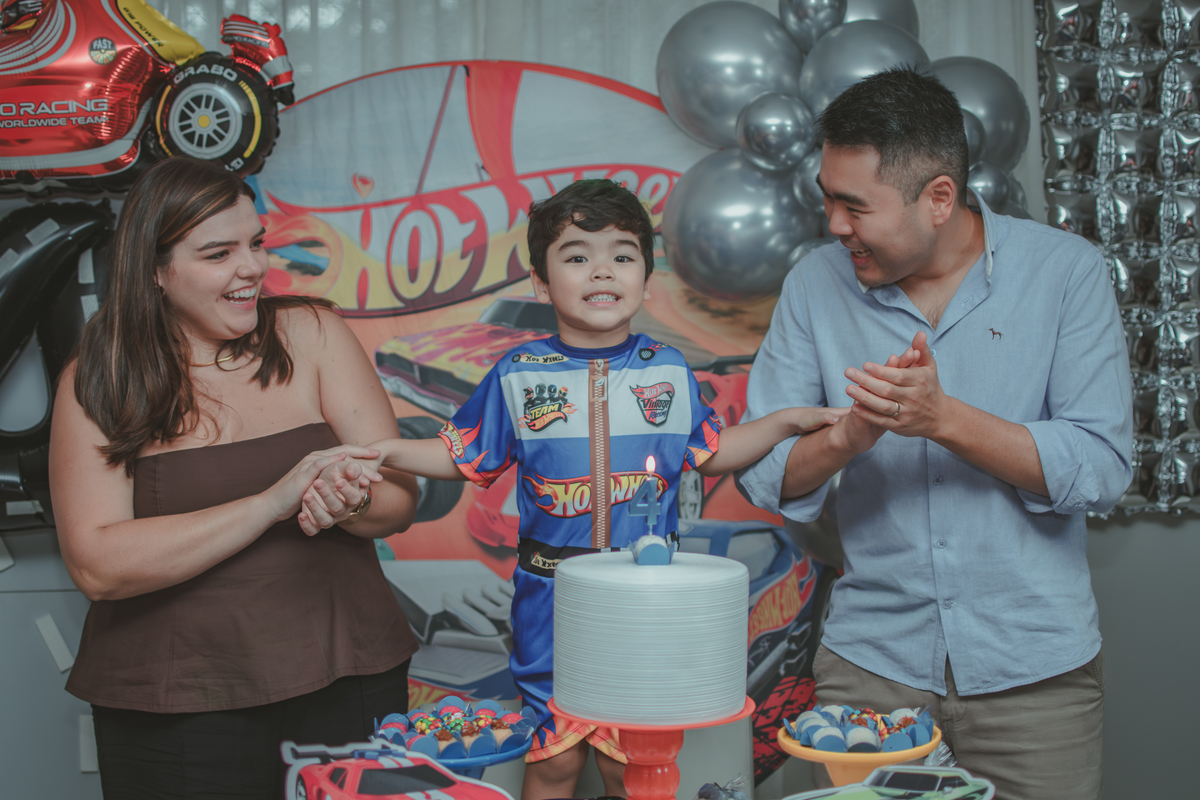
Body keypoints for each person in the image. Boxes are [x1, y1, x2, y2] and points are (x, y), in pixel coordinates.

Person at [348, 179, 845, 800]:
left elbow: (712, 451)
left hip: (644, 600)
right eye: (578, 256)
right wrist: (387, 450)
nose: (602, 271)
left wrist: (785, 421)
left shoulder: (669, 369)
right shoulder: (518, 374)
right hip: (549, 597)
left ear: (645, 278)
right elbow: (461, 453)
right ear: (541, 283)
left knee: (633, 763)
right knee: (554, 757)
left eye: (622, 255)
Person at [737, 68, 1132, 800]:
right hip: (870, 669)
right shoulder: (815, 284)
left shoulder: (1065, 273)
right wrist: (847, 439)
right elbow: (764, 473)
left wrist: (944, 421)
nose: (834, 225)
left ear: (939, 199)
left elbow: (1102, 469)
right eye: (828, 199)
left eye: (855, 206)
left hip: (1035, 677)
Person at [48, 157, 421, 799]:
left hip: (348, 672)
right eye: (219, 253)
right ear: (155, 269)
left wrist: (347, 503)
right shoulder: (100, 377)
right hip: (175, 701)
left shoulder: (312, 333)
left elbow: (399, 500)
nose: (251, 267)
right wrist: (272, 502)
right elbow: (97, 565)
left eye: (255, 243)